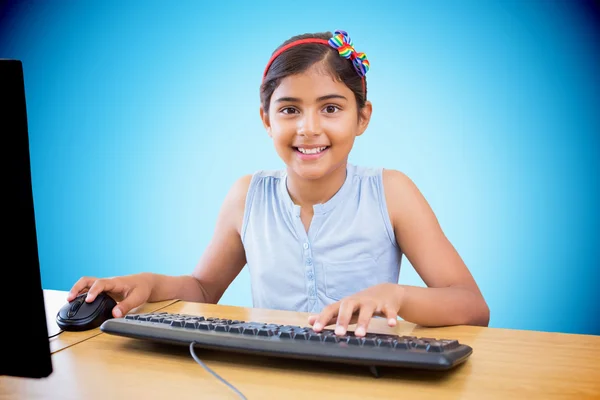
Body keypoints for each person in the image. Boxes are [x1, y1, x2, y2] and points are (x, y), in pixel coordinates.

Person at [67, 30, 490, 337]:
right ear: (266, 120)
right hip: (269, 374)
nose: (308, 128)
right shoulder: (247, 196)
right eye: (289, 109)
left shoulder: (391, 192)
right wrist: (148, 284)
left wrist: (395, 296)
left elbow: (472, 305)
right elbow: (202, 289)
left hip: (369, 375)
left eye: (330, 108)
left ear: (362, 118)